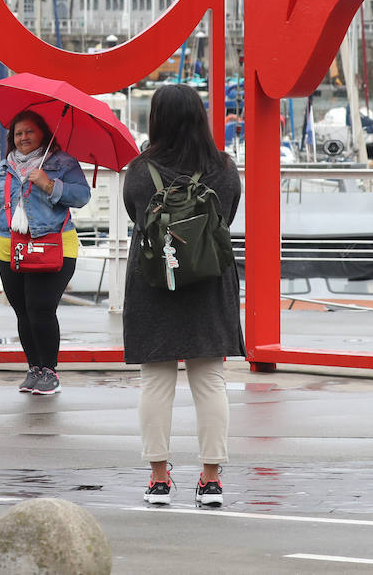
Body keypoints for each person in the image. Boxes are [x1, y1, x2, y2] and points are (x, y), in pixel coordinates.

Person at [121, 83, 242, 507]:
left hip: (154, 281)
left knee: (155, 381)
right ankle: (211, 481)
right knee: (209, 380)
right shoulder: (224, 169)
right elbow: (226, 216)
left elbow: (137, 217)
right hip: (208, 281)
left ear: (157, 119)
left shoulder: (139, 170)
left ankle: (158, 480)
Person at [0, 110, 91, 397]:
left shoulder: (62, 163)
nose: (23, 138)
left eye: (29, 132)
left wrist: (48, 184)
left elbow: (82, 196)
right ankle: (34, 369)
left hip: (53, 244)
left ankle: (50, 370)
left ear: (43, 134)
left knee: (41, 308)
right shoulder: (2, 168)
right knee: (22, 311)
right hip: (8, 246)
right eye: (18, 133)